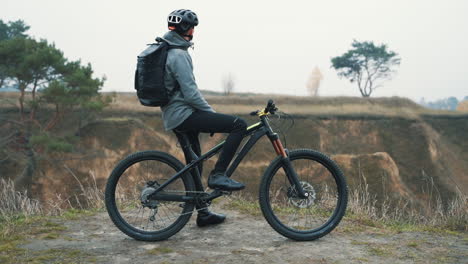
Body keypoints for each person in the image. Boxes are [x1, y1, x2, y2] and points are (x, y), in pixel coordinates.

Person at [159, 9, 248, 227]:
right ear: (185, 29)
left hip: (174, 115)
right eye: (192, 27)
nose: (193, 31)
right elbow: (191, 93)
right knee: (238, 125)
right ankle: (218, 175)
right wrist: (211, 114)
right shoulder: (179, 55)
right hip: (183, 115)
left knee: (194, 162)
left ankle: (203, 213)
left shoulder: (170, 50)